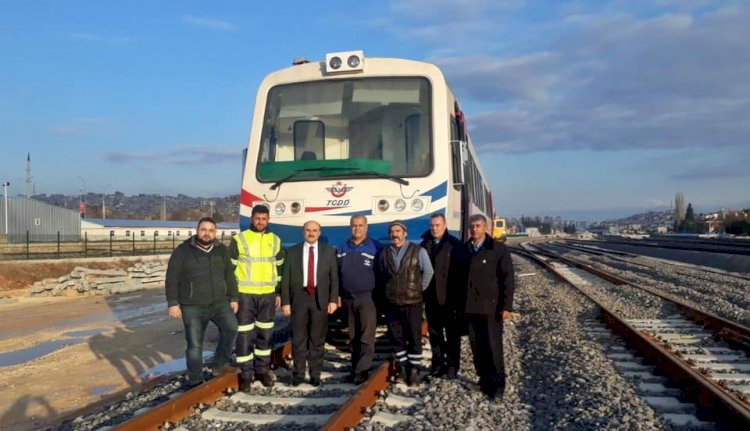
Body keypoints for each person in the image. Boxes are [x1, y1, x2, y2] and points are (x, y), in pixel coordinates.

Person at [165, 217, 239, 388]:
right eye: (203, 229)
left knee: (232, 328)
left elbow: (229, 276)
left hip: (219, 303)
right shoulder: (182, 251)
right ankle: (195, 378)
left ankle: (220, 364)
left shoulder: (222, 250)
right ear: (197, 230)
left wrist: (233, 297)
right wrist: (173, 303)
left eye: (211, 230)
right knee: (194, 343)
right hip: (192, 306)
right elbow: (172, 278)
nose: (207, 233)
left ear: (215, 232)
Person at [230, 205, 284, 391]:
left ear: (268, 220)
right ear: (252, 219)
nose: (260, 222)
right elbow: (230, 270)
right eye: (257, 218)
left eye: (264, 218)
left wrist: (278, 293)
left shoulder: (275, 240)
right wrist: (232, 296)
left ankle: (261, 370)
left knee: (266, 335)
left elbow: (280, 269)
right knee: (244, 335)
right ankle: (245, 375)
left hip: (268, 296)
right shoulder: (240, 239)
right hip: (245, 295)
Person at [280, 220, 339, 386]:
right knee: (299, 339)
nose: (311, 233)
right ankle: (298, 374)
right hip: (299, 298)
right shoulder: (292, 252)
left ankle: (315, 375)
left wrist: (333, 300)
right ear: (303, 232)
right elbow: (285, 279)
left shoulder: (329, 252)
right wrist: (285, 301)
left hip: (320, 299)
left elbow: (334, 279)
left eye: (314, 230)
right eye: (308, 230)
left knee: (317, 341)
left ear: (319, 233)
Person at [464, 214, 515, 400]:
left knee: (493, 348)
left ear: (485, 227)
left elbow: (507, 279)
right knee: (477, 348)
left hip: (491, 309)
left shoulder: (497, 249)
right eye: (472, 226)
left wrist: (507, 306)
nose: (474, 229)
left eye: (477, 226)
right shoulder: (465, 249)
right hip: (470, 308)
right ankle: (484, 381)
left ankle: (498, 385)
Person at [378, 220, 434, 386]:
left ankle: (415, 370)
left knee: (414, 336)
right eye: (392, 231)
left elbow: (428, 272)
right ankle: (402, 368)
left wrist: (418, 289)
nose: (395, 234)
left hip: (413, 302)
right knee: (397, 337)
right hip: (393, 303)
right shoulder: (384, 253)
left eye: (398, 230)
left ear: (405, 233)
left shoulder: (418, 251)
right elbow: (382, 275)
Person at [419, 213, 468, 379]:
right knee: (435, 334)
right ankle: (437, 365)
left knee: (452, 334)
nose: (434, 228)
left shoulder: (455, 245)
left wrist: (460, 299)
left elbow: (462, 274)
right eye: (432, 225)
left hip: (450, 299)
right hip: (431, 297)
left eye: (437, 225)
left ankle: (453, 367)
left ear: (445, 226)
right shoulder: (425, 244)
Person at [336, 215, 382, 384]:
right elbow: (336, 274)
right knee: (353, 336)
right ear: (350, 227)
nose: (357, 229)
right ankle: (355, 368)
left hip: (368, 298)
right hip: (348, 299)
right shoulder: (342, 247)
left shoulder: (376, 247)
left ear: (366, 227)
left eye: (360, 225)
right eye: (354, 226)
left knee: (366, 336)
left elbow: (381, 274)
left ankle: (362, 371)